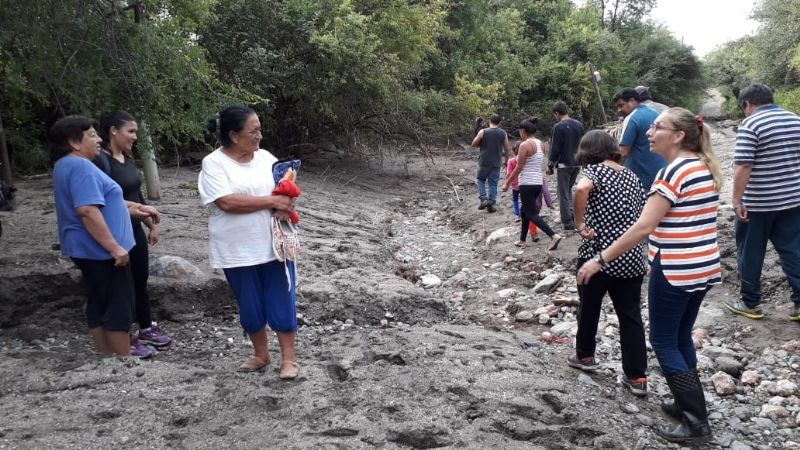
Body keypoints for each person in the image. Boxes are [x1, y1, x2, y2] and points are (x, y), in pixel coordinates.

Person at [577, 107, 722, 444]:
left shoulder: (673, 172)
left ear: (678, 135)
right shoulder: (702, 166)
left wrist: (599, 259)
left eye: (657, 127)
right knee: (682, 335)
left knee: (664, 340)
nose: (649, 133)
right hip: (704, 265)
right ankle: (689, 405)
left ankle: (696, 424)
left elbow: (644, 226)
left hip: (675, 267)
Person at [198, 106, 300, 379]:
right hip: (236, 250)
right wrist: (271, 201)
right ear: (233, 135)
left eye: (259, 129)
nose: (259, 135)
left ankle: (288, 360)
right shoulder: (214, 163)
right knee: (250, 305)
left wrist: (285, 204)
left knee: (282, 300)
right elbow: (226, 201)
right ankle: (261, 354)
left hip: (273, 247)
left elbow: (287, 187)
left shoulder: (266, 158)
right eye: (253, 130)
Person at [50, 116, 159, 357]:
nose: (99, 139)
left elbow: (103, 202)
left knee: (98, 302)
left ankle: (106, 357)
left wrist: (136, 208)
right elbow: (87, 210)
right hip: (99, 251)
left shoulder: (65, 165)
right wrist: (114, 248)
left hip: (85, 249)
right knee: (118, 305)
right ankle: (123, 362)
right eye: (91, 135)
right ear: (73, 142)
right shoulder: (81, 167)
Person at [567, 130, 648, 397]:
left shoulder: (594, 172)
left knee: (589, 307)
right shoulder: (631, 175)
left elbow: (581, 188)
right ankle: (637, 376)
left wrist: (579, 223)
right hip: (631, 255)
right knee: (630, 316)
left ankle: (585, 356)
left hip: (598, 254)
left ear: (587, 151)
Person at [95, 111, 172, 358]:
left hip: (135, 228)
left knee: (140, 279)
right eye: (131, 131)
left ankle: (146, 327)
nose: (135, 137)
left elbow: (135, 193)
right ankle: (124, 336)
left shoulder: (126, 159)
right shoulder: (101, 162)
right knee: (122, 286)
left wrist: (151, 223)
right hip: (116, 231)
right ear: (113, 131)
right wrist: (139, 211)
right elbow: (107, 201)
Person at [725, 84, 800, 321]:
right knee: (793, 250)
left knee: (750, 253)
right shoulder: (794, 119)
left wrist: (736, 201)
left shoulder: (751, 124)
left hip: (758, 204)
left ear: (747, 104)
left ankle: (750, 302)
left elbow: (744, 165)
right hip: (792, 200)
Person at [501, 118, 563, 250]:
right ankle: (522, 239)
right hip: (537, 183)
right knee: (525, 210)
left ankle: (553, 235)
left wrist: (507, 182)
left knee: (530, 213)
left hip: (527, 183)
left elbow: (519, 167)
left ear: (523, 131)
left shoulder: (524, 145)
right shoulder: (541, 143)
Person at [613, 87, 666, 190]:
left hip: (640, 180)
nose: (619, 110)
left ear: (632, 100)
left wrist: (613, 174)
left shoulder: (632, 118)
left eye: (621, 105)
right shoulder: (655, 114)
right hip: (661, 176)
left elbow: (623, 152)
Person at [547, 100, 584, 231]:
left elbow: (555, 148)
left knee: (562, 192)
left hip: (564, 164)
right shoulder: (579, 124)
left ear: (556, 113)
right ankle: (572, 214)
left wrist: (550, 165)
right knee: (568, 189)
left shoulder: (558, 127)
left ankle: (567, 222)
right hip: (577, 163)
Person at [472, 114, 512, 213]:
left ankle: (483, 198)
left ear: (489, 121)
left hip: (484, 160)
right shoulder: (503, 133)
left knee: (480, 179)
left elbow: (473, 144)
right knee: (493, 183)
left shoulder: (483, 131)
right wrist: (506, 160)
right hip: (496, 161)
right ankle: (491, 203)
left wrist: (481, 143)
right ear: (499, 123)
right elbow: (507, 148)